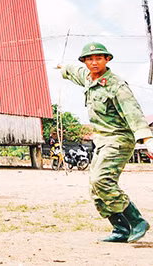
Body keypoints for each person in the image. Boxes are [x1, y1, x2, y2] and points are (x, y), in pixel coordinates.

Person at [58, 42, 153, 243]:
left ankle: (137, 221)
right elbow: (74, 72)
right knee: (95, 188)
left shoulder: (117, 86)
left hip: (119, 139)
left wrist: (147, 139)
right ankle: (120, 229)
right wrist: (62, 68)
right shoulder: (88, 77)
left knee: (102, 180)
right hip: (101, 140)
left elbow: (133, 112)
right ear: (85, 62)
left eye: (98, 58)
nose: (94, 63)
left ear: (107, 59)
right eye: (89, 59)